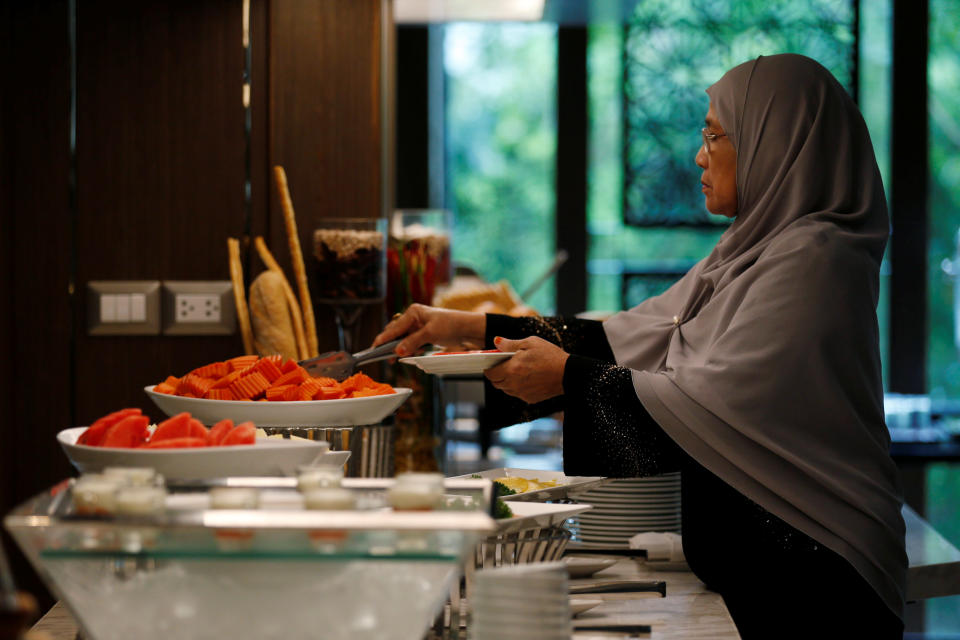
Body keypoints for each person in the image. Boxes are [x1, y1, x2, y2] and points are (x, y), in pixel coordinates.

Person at [374, 53, 906, 638]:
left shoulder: (815, 259)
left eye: (714, 134)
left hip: (815, 572)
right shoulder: (745, 256)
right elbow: (629, 338)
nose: (699, 155)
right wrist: (464, 328)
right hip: (765, 566)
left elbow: (721, 401)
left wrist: (569, 376)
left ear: (775, 143)